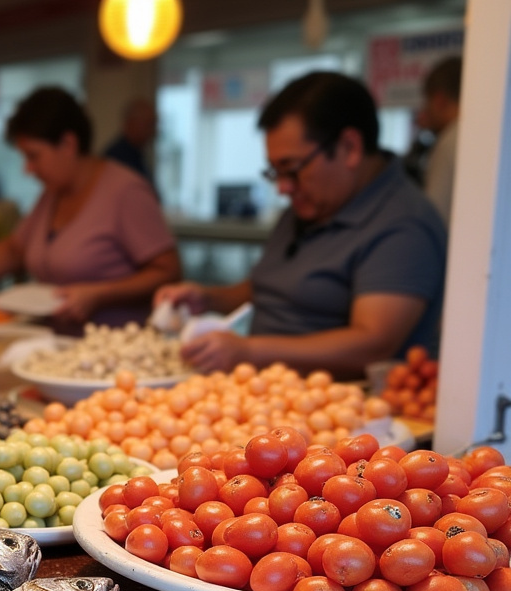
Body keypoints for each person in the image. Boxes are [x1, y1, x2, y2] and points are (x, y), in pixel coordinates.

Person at [154, 71, 447, 378]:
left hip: (335, 405)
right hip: (257, 387)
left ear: (350, 148)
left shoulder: (404, 224)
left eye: (292, 170)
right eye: (275, 173)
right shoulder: (310, 205)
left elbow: (373, 343)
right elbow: (267, 287)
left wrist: (249, 351)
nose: (283, 188)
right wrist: (208, 298)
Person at [0, 86, 180, 328]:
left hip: (114, 352)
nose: (28, 169)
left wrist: (99, 295)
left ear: (68, 144)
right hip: (53, 347)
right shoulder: (53, 193)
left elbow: (168, 271)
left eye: (34, 156)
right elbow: (15, 249)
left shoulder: (126, 191)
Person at [419, 56, 461, 226]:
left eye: (426, 102)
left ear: (439, 100)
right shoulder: (484, 138)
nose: (424, 111)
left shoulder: (450, 141)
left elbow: (435, 218)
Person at [103, 96, 157, 190]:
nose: (154, 131)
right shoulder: (117, 158)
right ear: (130, 123)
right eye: (149, 124)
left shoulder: (137, 154)